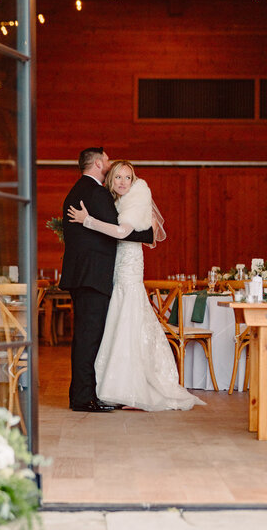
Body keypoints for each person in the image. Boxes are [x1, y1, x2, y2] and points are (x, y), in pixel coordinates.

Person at [68, 160, 205, 411]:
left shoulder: (136, 197)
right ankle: (111, 387)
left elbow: (122, 233)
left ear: (134, 180)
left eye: (127, 178)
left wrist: (87, 221)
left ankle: (129, 387)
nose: (122, 182)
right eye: (118, 177)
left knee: (128, 323)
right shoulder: (114, 200)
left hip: (128, 269)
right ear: (110, 180)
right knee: (115, 325)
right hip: (115, 268)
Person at [59, 149, 154, 413]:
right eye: (108, 159)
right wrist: (146, 235)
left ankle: (88, 393)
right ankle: (83, 397)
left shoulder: (77, 190)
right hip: (93, 278)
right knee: (89, 339)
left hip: (85, 276)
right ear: (99, 163)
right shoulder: (96, 192)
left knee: (89, 337)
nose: (110, 163)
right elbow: (121, 230)